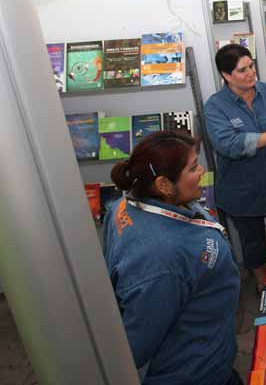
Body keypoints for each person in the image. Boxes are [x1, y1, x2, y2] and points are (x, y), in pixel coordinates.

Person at [103, 131, 242, 385]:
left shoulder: (124, 206)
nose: (201, 171)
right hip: (196, 372)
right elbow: (137, 342)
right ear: (164, 185)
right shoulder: (162, 261)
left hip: (210, 349)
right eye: (193, 168)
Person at [204, 44, 266, 289]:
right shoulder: (215, 106)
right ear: (226, 75)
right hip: (242, 190)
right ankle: (260, 281)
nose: (251, 73)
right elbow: (229, 144)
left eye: (252, 66)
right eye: (242, 70)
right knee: (253, 242)